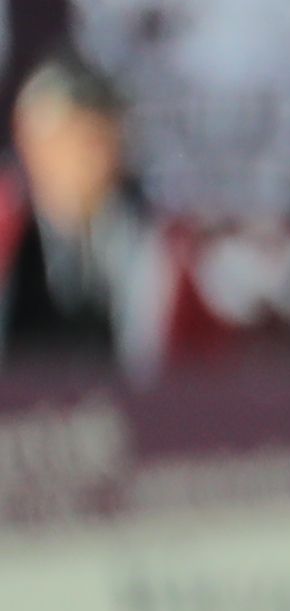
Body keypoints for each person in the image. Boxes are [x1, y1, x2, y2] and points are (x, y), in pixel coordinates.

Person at [0, 57, 171, 374]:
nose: (87, 160)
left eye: (99, 140)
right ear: (28, 140)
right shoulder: (7, 227)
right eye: (70, 140)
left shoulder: (146, 237)